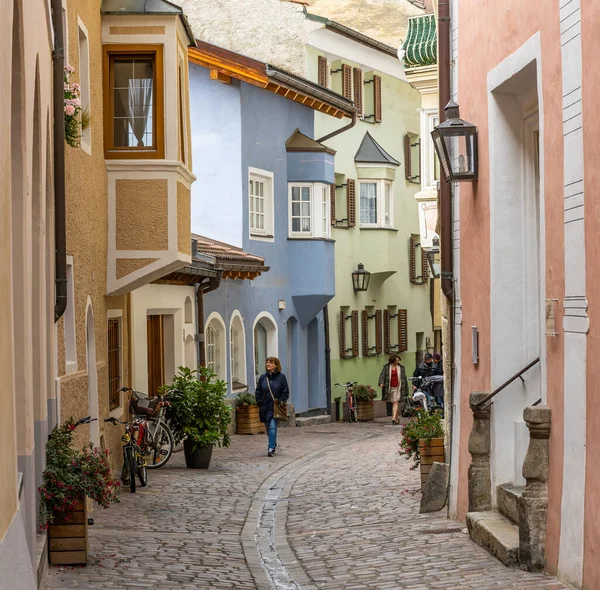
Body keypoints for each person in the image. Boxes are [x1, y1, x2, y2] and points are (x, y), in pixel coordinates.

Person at [255, 357, 289, 457]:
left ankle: (270, 448)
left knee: (272, 426)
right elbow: (258, 391)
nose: (268, 364)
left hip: (275, 407)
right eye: (267, 362)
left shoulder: (281, 377)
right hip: (264, 406)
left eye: (271, 363)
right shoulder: (263, 377)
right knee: (268, 428)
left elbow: (285, 391)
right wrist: (259, 401)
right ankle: (273, 443)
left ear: (276, 365)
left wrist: (281, 400)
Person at [378, 353, 409, 425]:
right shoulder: (386, 368)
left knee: (395, 402)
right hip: (389, 388)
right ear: (392, 361)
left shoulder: (401, 368)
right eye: (396, 360)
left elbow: (404, 379)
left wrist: (406, 389)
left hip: (398, 387)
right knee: (393, 402)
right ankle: (396, 418)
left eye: (398, 360)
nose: (398, 362)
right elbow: (382, 376)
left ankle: (393, 418)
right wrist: (381, 383)